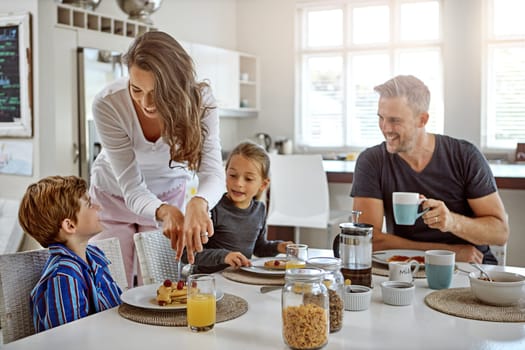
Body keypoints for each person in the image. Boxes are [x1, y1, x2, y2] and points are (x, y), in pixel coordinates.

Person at [89, 31, 225, 287]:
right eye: (136, 89)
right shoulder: (108, 104)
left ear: (177, 85)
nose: (146, 103)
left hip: (169, 193)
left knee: (160, 286)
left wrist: (199, 202)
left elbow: (214, 173)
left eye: (157, 92)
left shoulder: (201, 101)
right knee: (113, 286)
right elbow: (131, 187)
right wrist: (163, 211)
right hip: (113, 195)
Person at [351, 75, 509, 264]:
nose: (385, 128)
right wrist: (444, 253)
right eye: (381, 117)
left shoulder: (464, 155)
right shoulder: (372, 161)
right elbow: (368, 239)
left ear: (422, 119)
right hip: (408, 267)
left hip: (471, 267)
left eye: (394, 120)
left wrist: (452, 222)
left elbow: (500, 233)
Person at [18, 176, 122, 332]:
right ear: (70, 225)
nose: (98, 206)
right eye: (89, 204)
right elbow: (68, 340)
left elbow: (118, 310)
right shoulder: (63, 277)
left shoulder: (96, 258)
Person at [183, 141, 293, 273]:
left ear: (263, 184)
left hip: (239, 280)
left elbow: (258, 248)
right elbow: (187, 254)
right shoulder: (213, 209)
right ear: (225, 174)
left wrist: (278, 247)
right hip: (208, 283)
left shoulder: (259, 210)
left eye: (248, 179)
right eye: (233, 175)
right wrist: (224, 257)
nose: (239, 183)